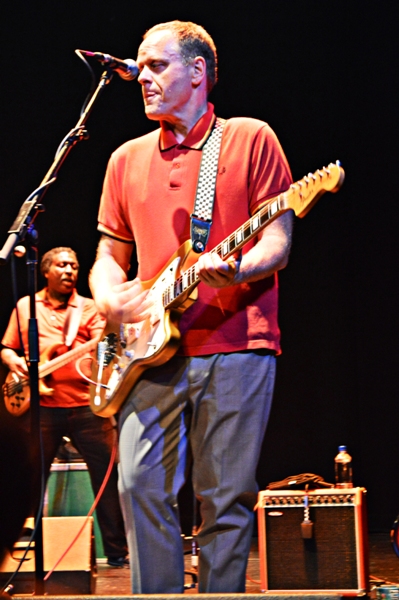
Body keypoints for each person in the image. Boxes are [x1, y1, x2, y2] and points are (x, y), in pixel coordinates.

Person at [89, 20, 294, 593]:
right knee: (138, 483)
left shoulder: (249, 138)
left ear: (198, 71)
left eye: (157, 65)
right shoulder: (125, 158)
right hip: (148, 353)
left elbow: (276, 242)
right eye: (140, 66)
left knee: (224, 498)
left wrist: (241, 267)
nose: (143, 78)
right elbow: (108, 254)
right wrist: (108, 293)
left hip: (236, 341)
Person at [0, 247, 128, 568]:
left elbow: (106, 346)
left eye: (74, 265)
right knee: (29, 477)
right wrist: (15, 363)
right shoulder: (26, 307)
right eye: (62, 265)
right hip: (41, 407)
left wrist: (105, 350)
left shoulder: (88, 308)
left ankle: (117, 552)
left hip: (86, 407)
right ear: (45, 270)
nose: (70, 270)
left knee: (107, 479)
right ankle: (22, 546)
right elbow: (6, 348)